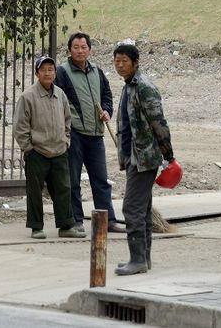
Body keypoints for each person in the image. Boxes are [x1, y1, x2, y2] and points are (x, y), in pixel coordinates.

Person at [112, 42, 175, 275]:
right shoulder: (129, 86)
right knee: (144, 208)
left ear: (135, 63)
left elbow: (159, 123)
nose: (120, 65)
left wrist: (169, 155)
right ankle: (143, 259)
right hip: (133, 156)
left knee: (132, 207)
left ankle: (137, 259)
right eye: (117, 61)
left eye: (124, 61)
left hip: (144, 158)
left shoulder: (144, 87)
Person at [55, 33, 127, 235]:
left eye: (83, 47)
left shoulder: (97, 71)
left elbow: (106, 95)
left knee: (101, 180)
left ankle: (108, 221)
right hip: (75, 134)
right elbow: (58, 101)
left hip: (96, 134)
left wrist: (106, 111)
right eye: (76, 47)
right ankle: (75, 221)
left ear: (89, 49)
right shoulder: (63, 72)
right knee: (73, 180)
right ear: (70, 49)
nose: (80, 51)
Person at [13, 55, 86, 240]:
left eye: (51, 70)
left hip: (59, 151)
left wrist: (66, 141)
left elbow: (68, 120)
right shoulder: (27, 96)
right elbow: (20, 127)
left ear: (55, 73)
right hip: (37, 152)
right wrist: (28, 148)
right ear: (37, 73)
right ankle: (36, 227)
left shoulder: (60, 94)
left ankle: (66, 226)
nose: (48, 73)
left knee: (63, 189)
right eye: (44, 70)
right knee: (35, 192)